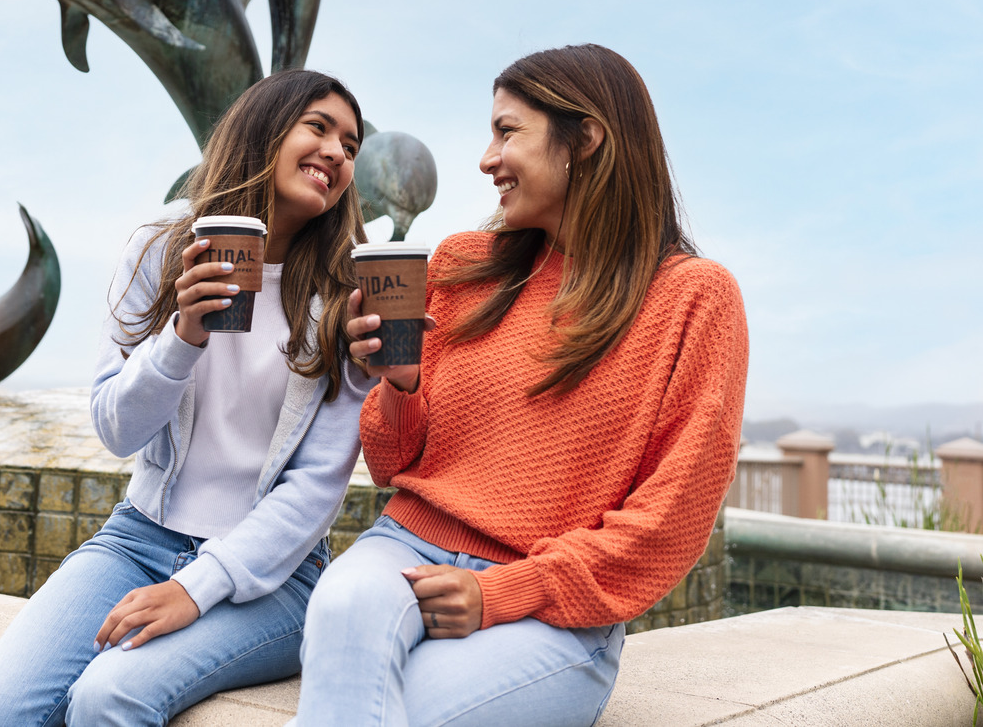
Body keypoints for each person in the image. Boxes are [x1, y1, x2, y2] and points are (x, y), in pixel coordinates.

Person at [293, 45, 749, 727]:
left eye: (508, 132)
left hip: (552, 608)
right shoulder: (459, 264)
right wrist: (402, 383)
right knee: (341, 612)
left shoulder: (694, 299)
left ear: (585, 138)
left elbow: (671, 516)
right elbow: (391, 461)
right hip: (402, 550)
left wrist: (506, 589)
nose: (485, 158)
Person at [0, 69, 377, 727]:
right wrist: (182, 338)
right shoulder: (163, 244)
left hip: (277, 578)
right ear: (265, 128)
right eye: (318, 127)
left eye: (350, 144)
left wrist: (194, 587)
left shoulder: (347, 293)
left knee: (108, 696)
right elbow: (115, 428)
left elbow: (315, 490)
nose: (337, 153)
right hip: (139, 538)